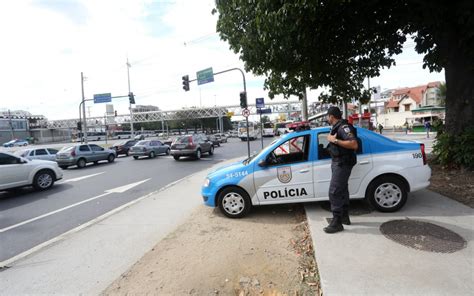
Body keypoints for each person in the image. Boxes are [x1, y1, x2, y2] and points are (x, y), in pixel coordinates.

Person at [324, 106, 359, 234]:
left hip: (342, 163)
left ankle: (337, 222)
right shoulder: (336, 127)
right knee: (342, 189)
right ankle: (344, 217)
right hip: (338, 162)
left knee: (334, 191)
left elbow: (354, 144)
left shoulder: (344, 127)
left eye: (327, 116)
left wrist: (335, 140)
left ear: (331, 116)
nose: (327, 118)